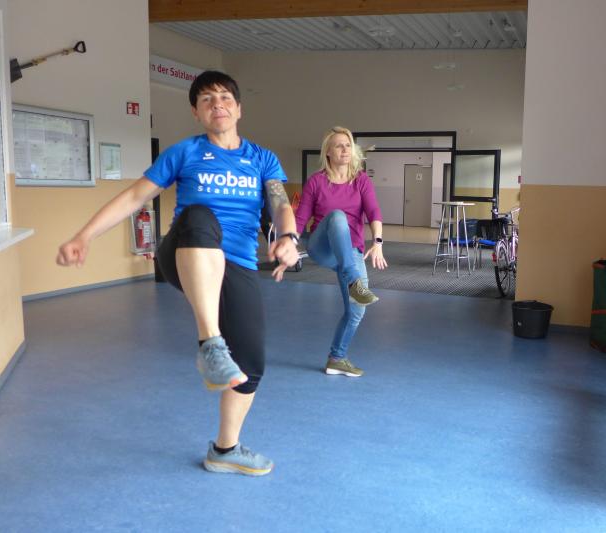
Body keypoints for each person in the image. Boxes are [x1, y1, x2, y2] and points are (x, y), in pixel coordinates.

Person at [56, 71, 299, 476]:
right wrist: (85, 236)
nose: (217, 104)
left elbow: (279, 203)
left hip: (236, 263)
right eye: (207, 100)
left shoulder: (262, 159)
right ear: (196, 113)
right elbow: (134, 197)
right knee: (199, 215)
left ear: (239, 109)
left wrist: (288, 236)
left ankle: (225, 449)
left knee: (251, 365)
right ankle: (210, 345)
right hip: (184, 251)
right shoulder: (184, 152)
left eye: (225, 98)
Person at [294, 126, 387, 378]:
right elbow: (301, 218)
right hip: (322, 247)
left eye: (348, 145)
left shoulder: (361, 180)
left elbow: (374, 212)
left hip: (351, 249)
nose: (345, 149)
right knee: (337, 217)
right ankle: (354, 279)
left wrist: (378, 242)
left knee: (357, 311)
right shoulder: (316, 181)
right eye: (339, 145)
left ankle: (336, 358)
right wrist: (288, 244)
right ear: (328, 152)